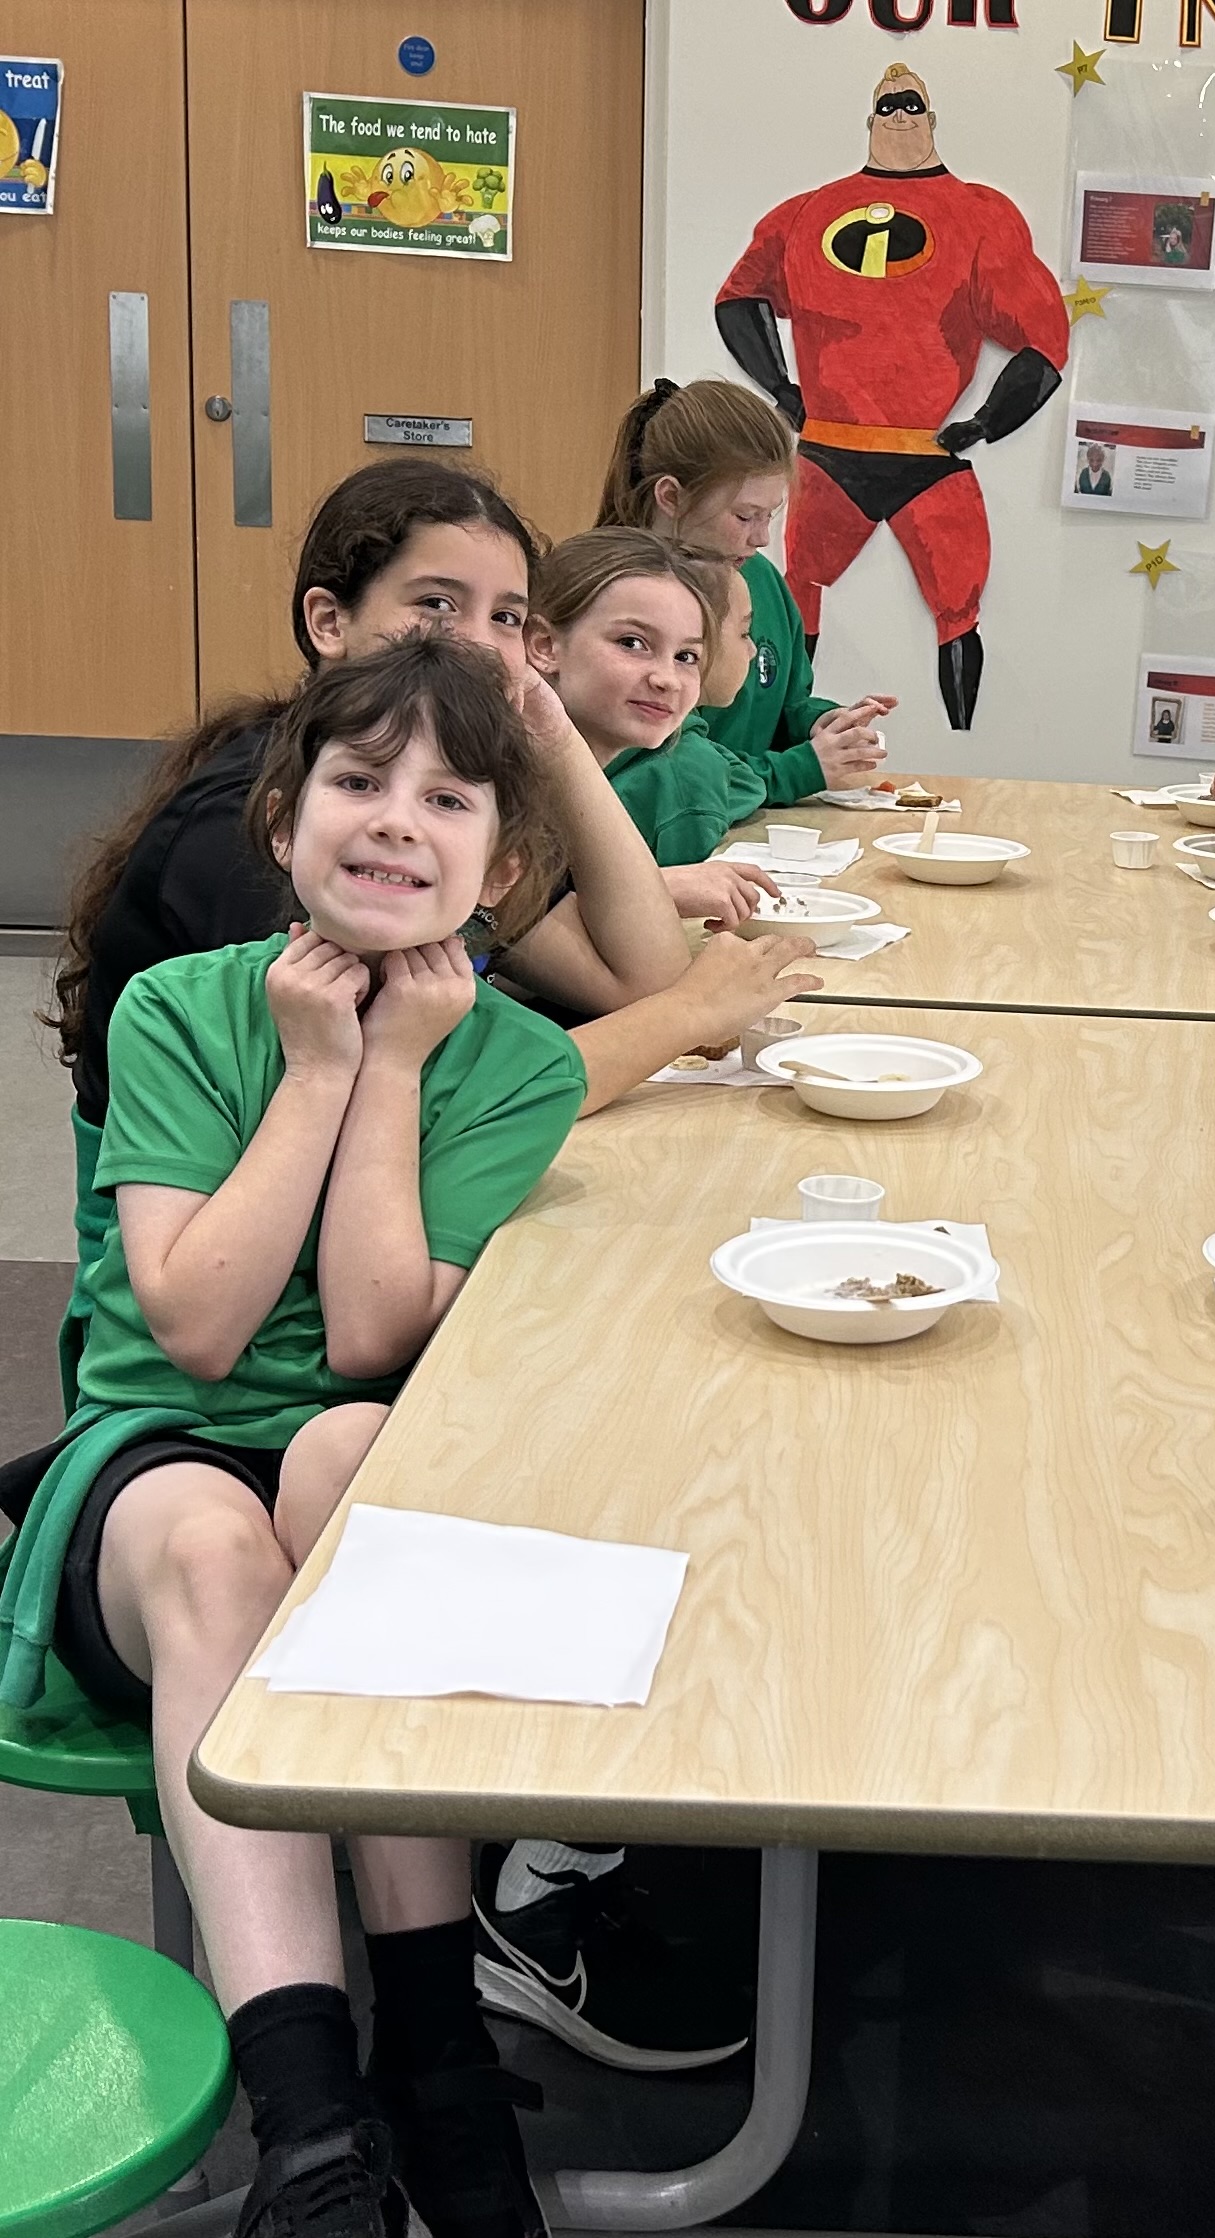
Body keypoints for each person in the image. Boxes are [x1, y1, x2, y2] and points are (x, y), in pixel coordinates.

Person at [1, 637, 597, 2238]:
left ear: (503, 865)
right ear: (285, 819)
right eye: (359, 779)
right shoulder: (178, 1010)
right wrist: (316, 1070)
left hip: (344, 1443)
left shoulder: (522, 1064)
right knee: (221, 1541)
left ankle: (438, 2047)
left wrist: (390, 1067)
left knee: (351, 1464)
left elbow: (367, 1337)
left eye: (449, 798)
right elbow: (197, 1329)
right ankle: (312, 2114)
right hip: (154, 1466)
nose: (397, 816)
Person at [47, 461, 695, 1398]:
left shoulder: (436, 837)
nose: (479, 648)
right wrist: (693, 1015)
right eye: (437, 606)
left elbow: (638, 967)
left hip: (349, 1300)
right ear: (329, 622)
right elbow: (200, 1313)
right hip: (203, 1296)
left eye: (507, 619)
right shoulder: (281, 846)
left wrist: (550, 735)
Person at [713, 60, 1071, 730]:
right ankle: (779, 731)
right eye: (888, 106)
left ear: (931, 120)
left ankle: (965, 745)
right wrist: (782, 388)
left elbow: (1044, 338)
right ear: (870, 121)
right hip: (829, 452)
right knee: (795, 598)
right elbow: (738, 298)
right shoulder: (805, 213)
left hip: (926, 455)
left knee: (958, 609)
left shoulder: (980, 214)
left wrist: (986, 422)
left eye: (910, 105)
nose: (900, 116)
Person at [597, 376, 891, 816]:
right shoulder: (617, 596)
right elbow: (676, 767)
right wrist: (800, 769)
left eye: (769, 515)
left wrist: (819, 725)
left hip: (750, 830)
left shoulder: (761, 580)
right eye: (745, 516)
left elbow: (785, 702)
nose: (762, 537)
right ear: (671, 497)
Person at [526, 528, 744, 876]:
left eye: (686, 656)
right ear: (545, 645)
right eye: (632, 642)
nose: (667, 679)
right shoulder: (495, 793)